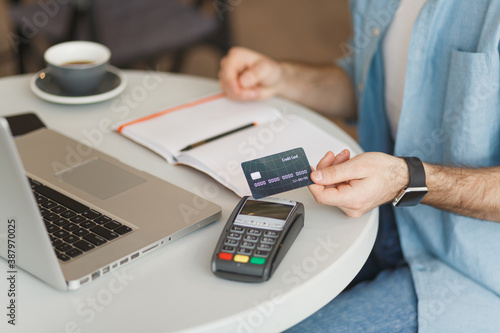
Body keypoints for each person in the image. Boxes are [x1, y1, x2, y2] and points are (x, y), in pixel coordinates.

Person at [218, 0, 500, 331]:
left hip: (470, 267)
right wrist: (283, 77)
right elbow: (374, 86)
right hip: (382, 214)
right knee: (236, 306)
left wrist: (405, 180)